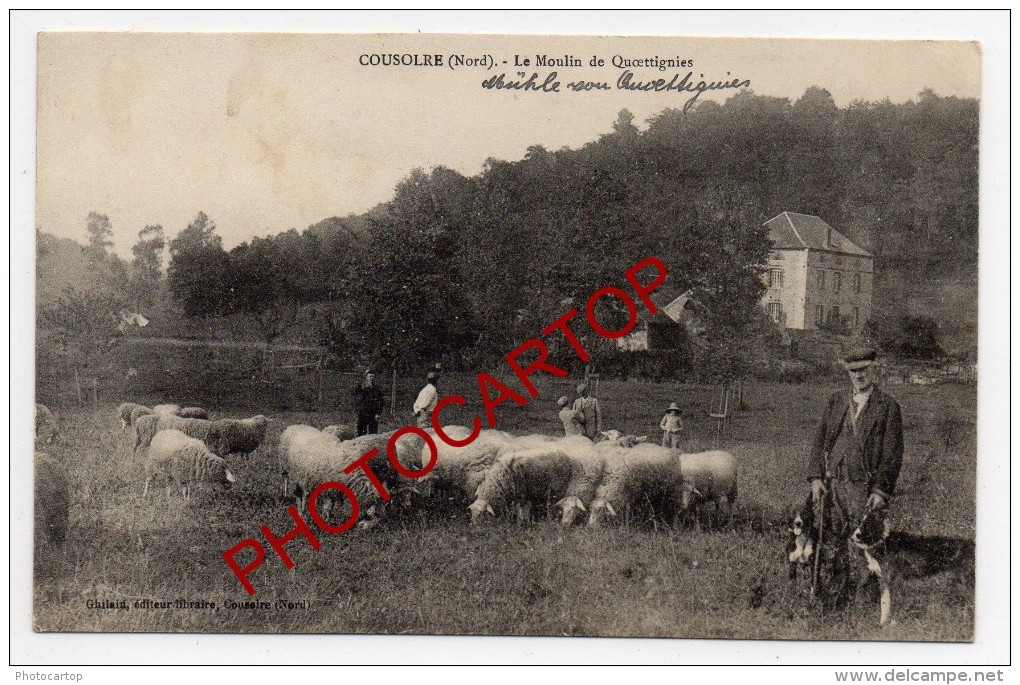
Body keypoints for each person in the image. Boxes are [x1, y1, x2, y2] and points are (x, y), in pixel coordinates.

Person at [806, 345, 904, 607]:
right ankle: (834, 595)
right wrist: (816, 477)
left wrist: (880, 491)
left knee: (866, 546)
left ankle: (865, 600)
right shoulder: (836, 401)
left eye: (864, 370)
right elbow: (818, 442)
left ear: (874, 369)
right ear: (847, 373)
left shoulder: (888, 407)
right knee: (832, 540)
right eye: (853, 372)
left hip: (865, 489)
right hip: (834, 485)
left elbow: (892, 454)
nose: (859, 376)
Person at [353, 370, 385, 436]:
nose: (371, 378)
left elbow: (381, 402)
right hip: (363, 412)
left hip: (373, 413)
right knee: (361, 433)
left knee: (373, 434)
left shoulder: (377, 389)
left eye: (373, 376)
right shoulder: (362, 387)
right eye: (370, 376)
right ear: (367, 377)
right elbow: (355, 394)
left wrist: (378, 413)